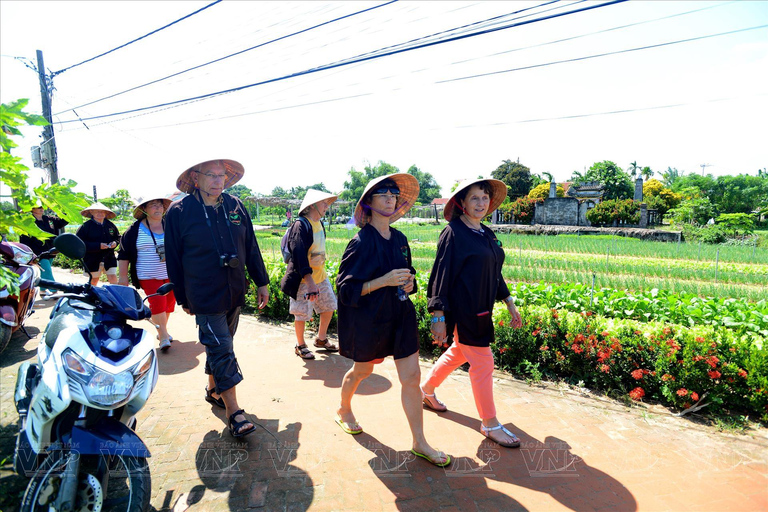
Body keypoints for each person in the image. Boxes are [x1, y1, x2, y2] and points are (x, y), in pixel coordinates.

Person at [335, 173, 450, 467]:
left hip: (400, 316)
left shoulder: (400, 239)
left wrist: (410, 284)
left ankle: (419, 442)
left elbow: (407, 272)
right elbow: (345, 289)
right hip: (370, 321)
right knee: (361, 372)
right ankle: (344, 409)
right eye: (383, 194)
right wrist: (382, 281)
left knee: (412, 378)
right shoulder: (359, 243)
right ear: (369, 203)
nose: (390, 198)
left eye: (394, 194)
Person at [165, 158, 270, 438]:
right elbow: (174, 257)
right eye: (210, 175)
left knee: (222, 343)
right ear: (196, 179)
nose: (217, 180)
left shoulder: (235, 205)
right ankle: (234, 411)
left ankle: (214, 389)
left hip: (234, 288)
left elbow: (250, 244)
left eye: (221, 175)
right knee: (222, 347)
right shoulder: (179, 211)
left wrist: (261, 281)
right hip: (203, 292)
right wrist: (182, 296)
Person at [420, 179, 524, 448]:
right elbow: (440, 276)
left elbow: (494, 272)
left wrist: (509, 301)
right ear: (462, 203)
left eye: (485, 198)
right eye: (475, 198)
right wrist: (438, 317)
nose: (481, 204)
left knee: (459, 352)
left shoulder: (486, 233)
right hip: (464, 309)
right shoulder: (453, 232)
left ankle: (426, 390)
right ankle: (489, 423)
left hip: (482, 308)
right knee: (483, 362)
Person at [280, 189, 339, 360]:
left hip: (320, 275)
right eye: (324, 203)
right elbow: (298, 255)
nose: (327, 206)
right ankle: (300, 345)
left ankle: (321, 339)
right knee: (301, 314)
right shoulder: (301, 225)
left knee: (329, 306)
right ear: (312, 205)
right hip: (303, 279)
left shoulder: (319, 223)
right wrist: (309, 281)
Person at [118, 197, 176, 351]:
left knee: (169, 304)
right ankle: (163, 336)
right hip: (148, 275)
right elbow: (123, 254)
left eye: (160, 205)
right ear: (144, 209)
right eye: (153, 205)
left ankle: (162, 329)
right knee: (158, 303)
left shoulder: (171, 225)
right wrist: (122, 277)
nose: (158, 208)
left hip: (171, 274)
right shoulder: (134, 230)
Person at [19, 204, 68, 299]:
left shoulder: (49, 219)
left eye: (42, 207)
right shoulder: (28, 222)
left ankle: (42, 290)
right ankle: (54, 290)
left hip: (51, 249)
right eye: (38, 207)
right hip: (37, 251)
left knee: (45, 271)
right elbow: (24, 239)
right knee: (47, 270)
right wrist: (29, 253)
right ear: (32, 209)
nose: (41, 209)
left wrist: (64, 210)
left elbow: (63, 222)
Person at [75, 202, 120, 286]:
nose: (100, 214)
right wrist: (97, 246)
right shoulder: (86, 227)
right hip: (93, 258)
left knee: (113, 277)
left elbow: (118, 237)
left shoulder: (110, 225)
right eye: (97, 211)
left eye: (102, 212)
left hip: (109, 257)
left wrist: (115, 243)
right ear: (91, 212)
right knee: (94, 280)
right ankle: (92, 298)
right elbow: (79, 243)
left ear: (106, 213)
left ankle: (116, 297)